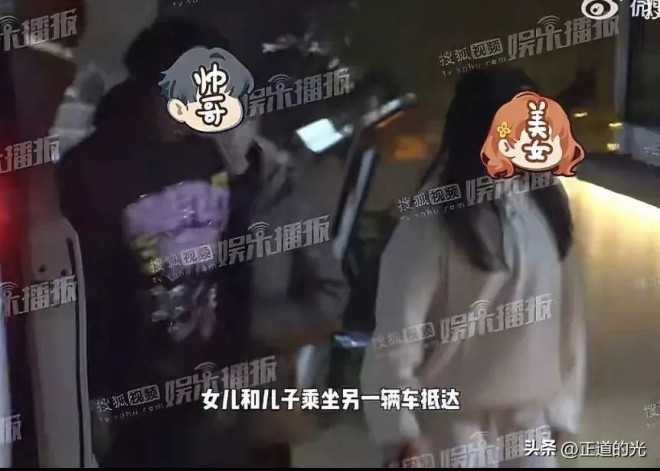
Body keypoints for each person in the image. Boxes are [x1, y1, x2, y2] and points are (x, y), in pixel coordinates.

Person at [58, 19, 348, 467]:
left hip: (219, 403)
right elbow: (85, 300)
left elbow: (231, 272)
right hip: (139, 409)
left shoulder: (212, 156)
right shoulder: (90, 171)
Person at [361, 69, 586, 468]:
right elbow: (398, 332)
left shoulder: (545, 205)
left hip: (529, 421)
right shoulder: (435, 217)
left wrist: (562, 411)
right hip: (450, 425)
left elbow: (568, 321)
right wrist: (400, 431)